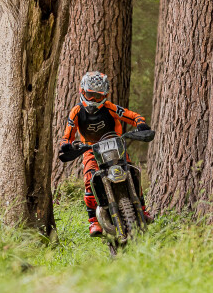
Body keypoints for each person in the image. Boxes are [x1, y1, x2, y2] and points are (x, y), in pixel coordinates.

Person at [59, 71, 153, 237]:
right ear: (82, 91)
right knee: (89, 180)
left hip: (115, 146)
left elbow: (132, 116)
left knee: (132, 172)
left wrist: (140, 123)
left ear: (105, 95)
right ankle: (93, 221)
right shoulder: (76, 111)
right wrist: (66, 145)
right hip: (90, 150)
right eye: (90, 95)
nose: (93, 99)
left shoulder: (110, 107)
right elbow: (68, 135)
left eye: (98, 96)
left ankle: (143, 210)